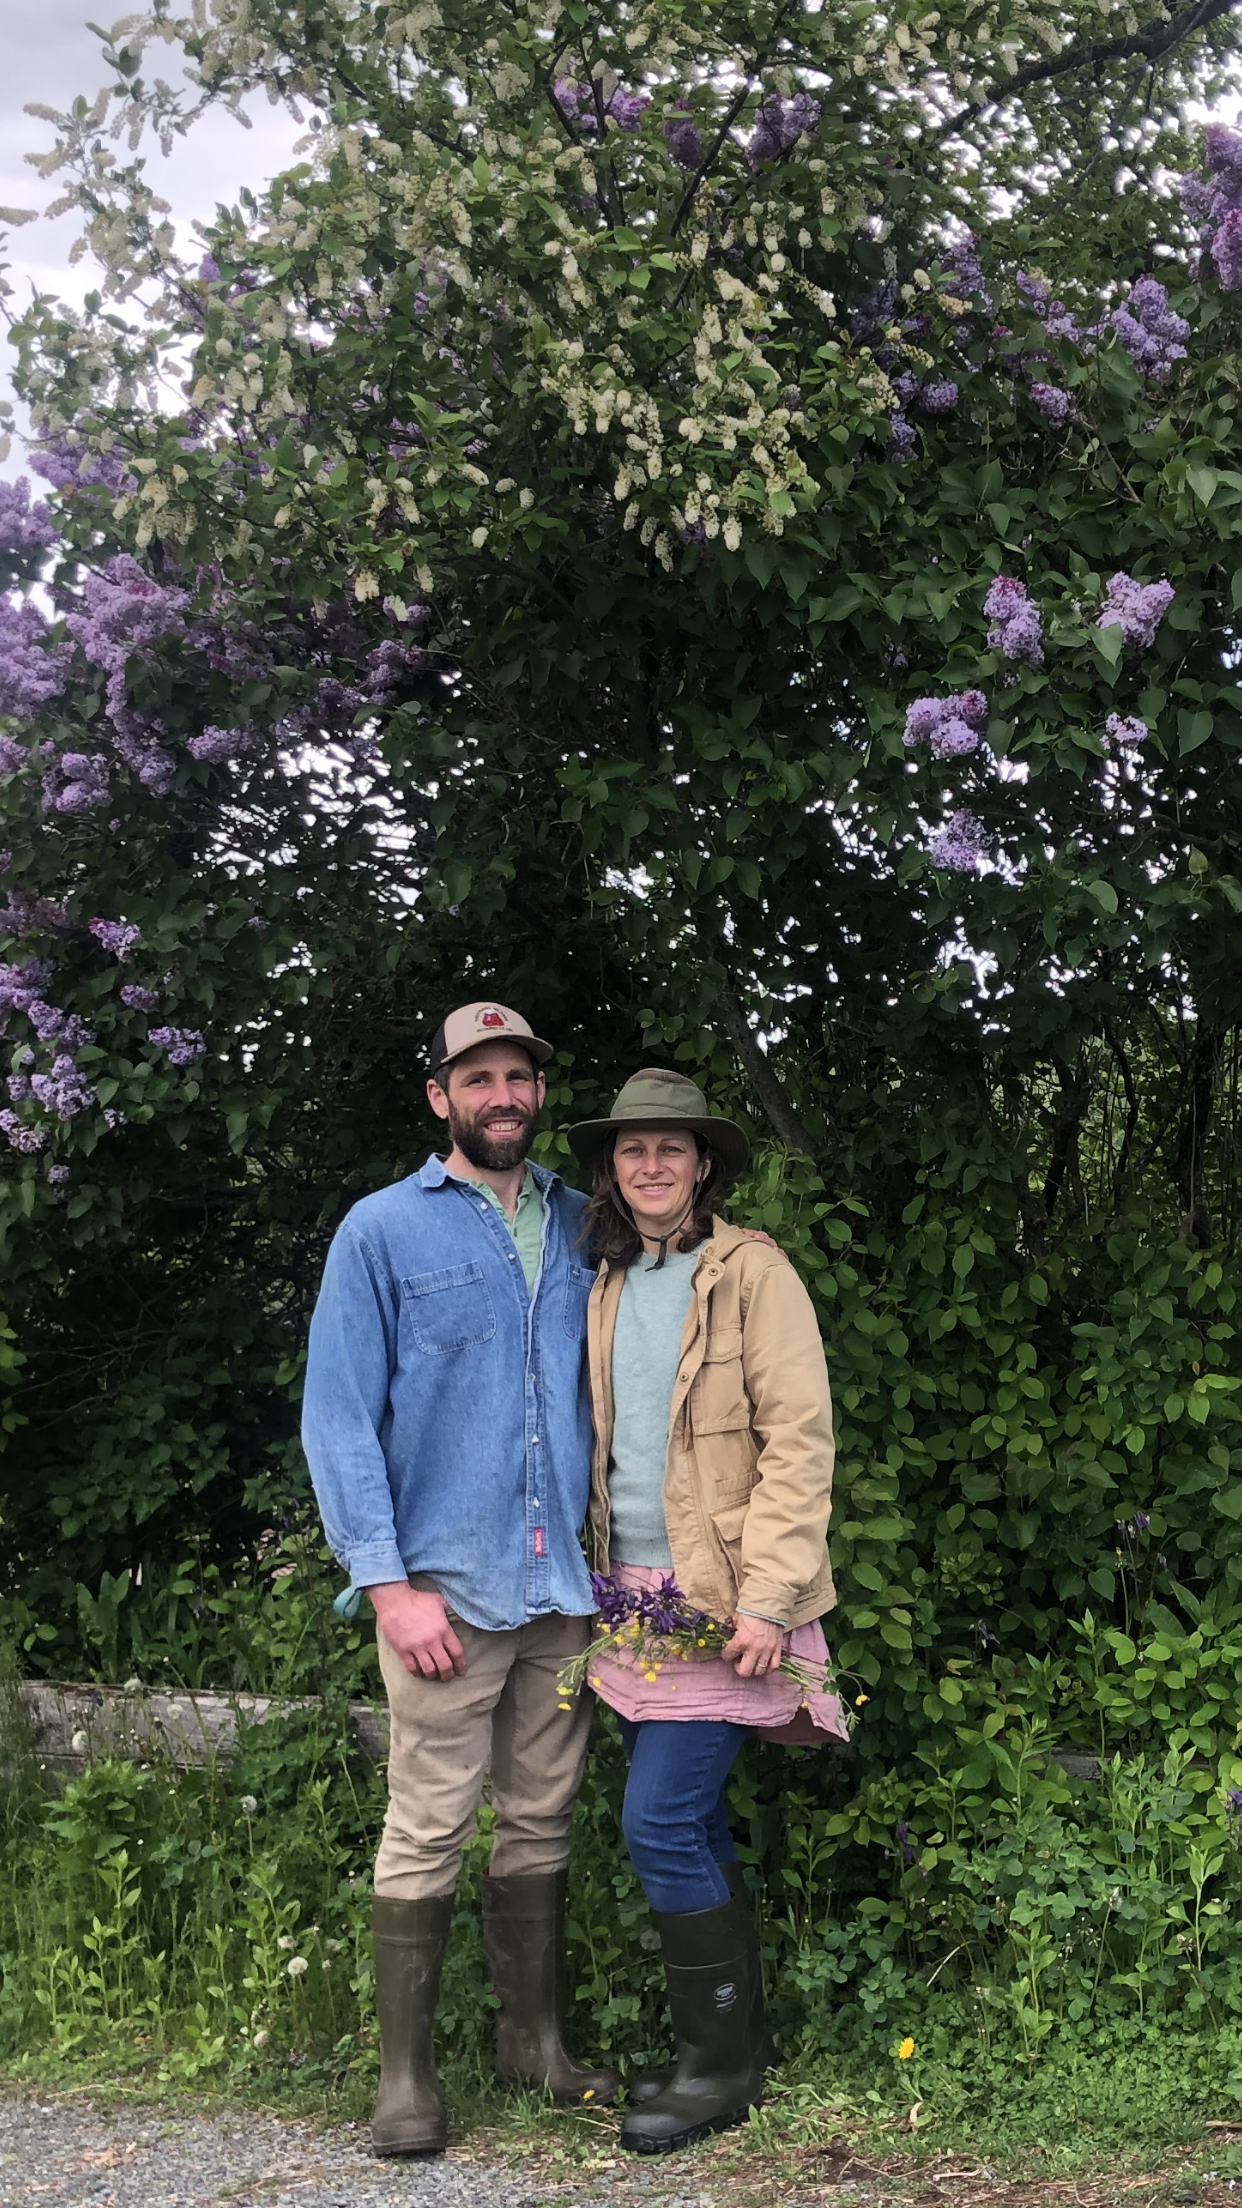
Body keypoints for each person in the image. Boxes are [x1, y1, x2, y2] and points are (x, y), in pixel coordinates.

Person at [302, 1000, 617, 2158]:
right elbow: (337, 1417)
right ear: (440, 1096)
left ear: (537, 1094)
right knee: (427, 1821)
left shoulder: (590, 1225)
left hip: (566, 1591)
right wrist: (387, 1586)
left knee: (541, 1815)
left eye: (518, 1077)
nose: (502, 1095)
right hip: (442, 1588)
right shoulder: (381, 1232)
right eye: (477, 1077)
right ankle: (404, 2083)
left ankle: (533, 2048)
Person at [567, 1067, 843, 2156]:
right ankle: (734, 2049)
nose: (651, 1164)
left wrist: (773, 1598)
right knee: (686, 1823)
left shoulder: (753, 1274)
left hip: (725, 1600)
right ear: (610, 1167)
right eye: (633, 1149)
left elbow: (798, 1440)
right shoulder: (605, 1279)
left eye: (672, 1148)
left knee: (656, 1821)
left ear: (704, 1164)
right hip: (630, 1598)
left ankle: (716, 2071)